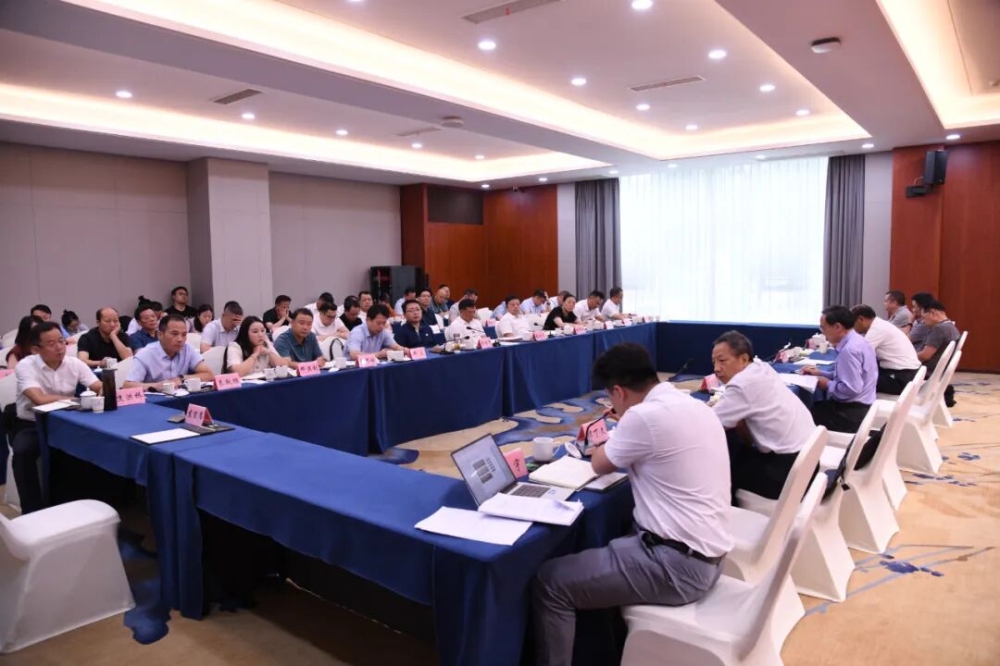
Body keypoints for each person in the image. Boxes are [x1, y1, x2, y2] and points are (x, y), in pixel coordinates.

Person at [532, 343, 731, 666]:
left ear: (618, 391)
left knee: (551, 582)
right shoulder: (690, 403)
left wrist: (617, 427)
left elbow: (599, 463)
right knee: (617, 534)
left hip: (678, 567)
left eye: (610, 397)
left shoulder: (642, 416)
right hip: (709, 554)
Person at [710, 331, 815, 502]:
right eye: (713, 362)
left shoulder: (741, 385)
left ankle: (730, 515)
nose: (716, 368)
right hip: (809, 462)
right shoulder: (761, 367)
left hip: (789, 474)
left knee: (718, 473)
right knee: (737, 450)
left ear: (744, 359)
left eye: (722, 361)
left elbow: (709, 423)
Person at [13, 322, 103, 513]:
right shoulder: (25, 365)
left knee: (94, 443)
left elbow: (98, 386)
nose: (59, 347)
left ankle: (85, 506)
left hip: (67, 421)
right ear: (36, 349)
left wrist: (105, 390)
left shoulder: (74, 363)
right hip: (32, 423)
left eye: (61, 341)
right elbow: (39, 399)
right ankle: (32, 511)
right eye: (51, 343)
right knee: (23, 451)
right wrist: (77, 399)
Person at [803, 306, 877, 433]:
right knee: (816, 407)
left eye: (823, 328)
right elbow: (849, 375)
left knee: (804, 415)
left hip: (851, 413)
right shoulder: (859, 341)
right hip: (864, 406)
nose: (822, 332)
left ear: (837, 327)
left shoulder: (849, 350)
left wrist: (827, 384)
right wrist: (821, 373)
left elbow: (852, 389)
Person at [124, 315, 214, 389]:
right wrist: (157, 386)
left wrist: (181, 378)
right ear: (160, 335)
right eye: (175, 334)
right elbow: (128, 385)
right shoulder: (145, 354)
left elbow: (208, 374)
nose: (180, 339)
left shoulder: (187, 349)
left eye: (184, 334)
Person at [852, 304, 921, 395]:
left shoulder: (877, 330)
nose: (852, 328)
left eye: (853, 324)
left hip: (901, 378)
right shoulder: (880, 324)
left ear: (861, 319)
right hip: (907, 373)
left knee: (854, 380)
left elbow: (859, 354)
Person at [917, 300, 961, 407]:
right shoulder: (951, 327)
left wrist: (906, 357)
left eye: (923, 317)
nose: (923, 322)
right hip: (937, 372)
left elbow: (925, 356)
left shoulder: (939, 329)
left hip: (926, 372)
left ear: (932, 313)